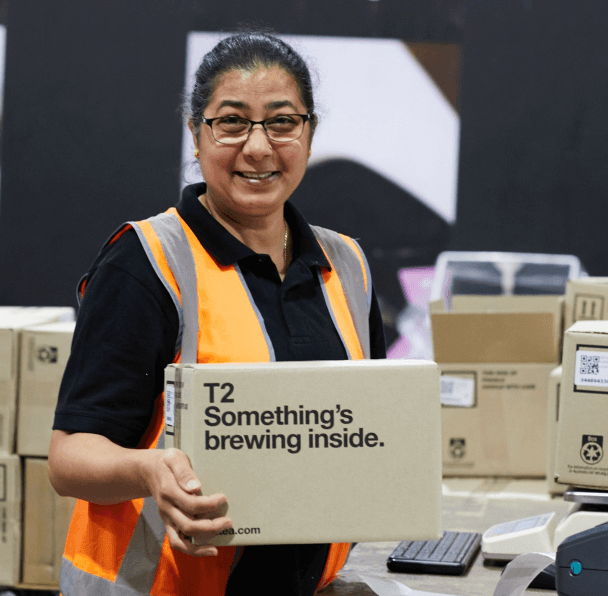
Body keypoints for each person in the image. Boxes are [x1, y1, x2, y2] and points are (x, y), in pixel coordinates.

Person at [48, 31, 386, 596]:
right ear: (196, 135)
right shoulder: (147, 262)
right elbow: (69, 457)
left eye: (282, 122)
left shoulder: (345, 263)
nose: (258, 147)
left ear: (309, 134)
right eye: (232, 122)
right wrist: (147, 470)